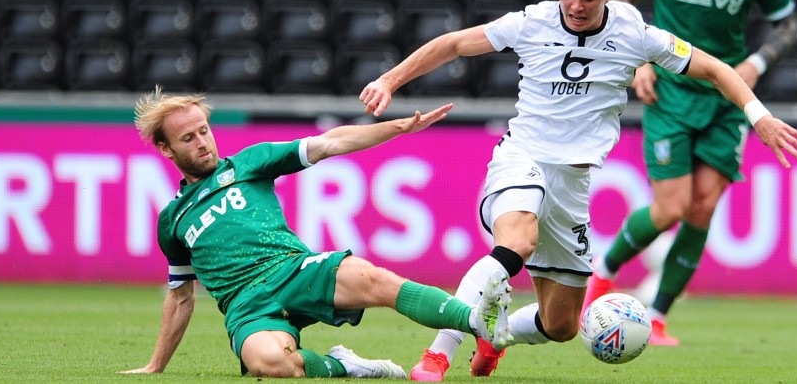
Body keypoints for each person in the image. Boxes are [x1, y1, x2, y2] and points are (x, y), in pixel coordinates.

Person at [359, 0, 797, 381]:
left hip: (572, 184)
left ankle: (497, 335)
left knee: (562, 325)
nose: (576, 6)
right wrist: (389, 81)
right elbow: (452, 44)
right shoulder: (531, 22)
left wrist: (759, 117)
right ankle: (438, 354)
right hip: (522, 158)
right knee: (516, 243)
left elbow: (716, 69)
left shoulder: (635, 34)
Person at [123, 86, 512, 379]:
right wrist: (156, 365)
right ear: (166, 149)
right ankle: (345, 365)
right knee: (269, 363)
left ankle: (476, 320)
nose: (203, 143)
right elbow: (181, 297)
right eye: (188, 138)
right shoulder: (172, 220)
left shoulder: (249, 163)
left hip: (293, 269)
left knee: (372, 279)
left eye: (204, 130)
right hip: (246, 306)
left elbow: (330, 143)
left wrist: (399, 127)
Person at [582, 0, 797, 347]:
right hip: (671, 89)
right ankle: (604, 272)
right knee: (671, 207)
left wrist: (756, 63)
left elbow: (788, 24)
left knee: (702, 209)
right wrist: (638, 59)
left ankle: (658, 316)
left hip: (726, 98)